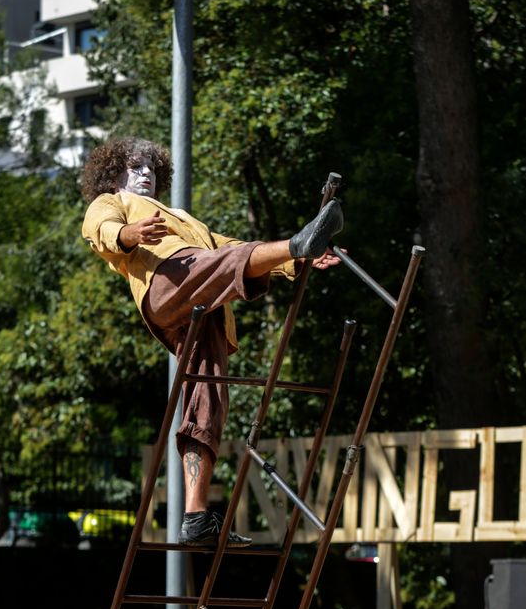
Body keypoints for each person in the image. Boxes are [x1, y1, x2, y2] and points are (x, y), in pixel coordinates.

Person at [81, 137, 343, 546]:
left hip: (204, 306)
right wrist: (129, 232)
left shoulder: (186, 219)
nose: (146, 173)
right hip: (168, 283)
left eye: (151, 167)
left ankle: (196, 516)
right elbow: (98, 229)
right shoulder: (114, 201)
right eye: (136, 166)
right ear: (115, 173)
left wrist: (295, 263)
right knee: (217, 263)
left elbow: (237, 250)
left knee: (209, 402)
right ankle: (297, 241)